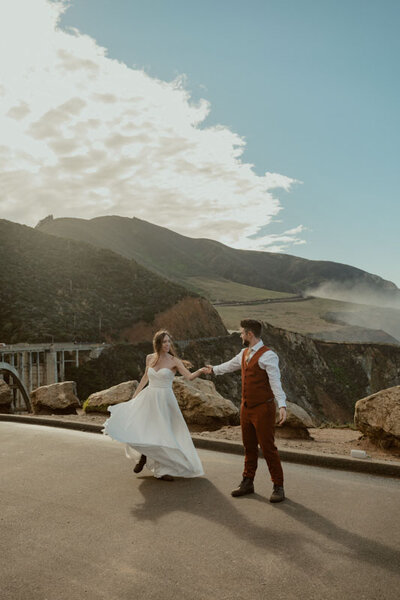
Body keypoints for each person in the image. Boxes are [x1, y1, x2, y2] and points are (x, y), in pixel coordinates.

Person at [104, 330, 206, 481]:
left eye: (169, 341)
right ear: (157, 343)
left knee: (162, 433)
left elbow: (189, 377)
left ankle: (161, 469)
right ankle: (144, 457)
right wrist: (134, 397)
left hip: (165, 400)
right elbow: (145, 377)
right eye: (164, 342)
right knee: (147, 429)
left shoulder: (174, 361)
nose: (167, 344)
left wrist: (201, 370)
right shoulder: (150, 358)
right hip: (149, 397)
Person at [205, 319, 287, 502]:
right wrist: (212, 370)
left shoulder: (268, 356)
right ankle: (247, 482)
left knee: (268, 448)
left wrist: (282, 405)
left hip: (264, 409)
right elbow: (228, 366)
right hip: (246, 408)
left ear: (250, 334)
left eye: (242, 332)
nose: (240, 335)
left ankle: (278, 486)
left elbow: (276, 383)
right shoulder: (244, 353)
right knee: (249, 446)